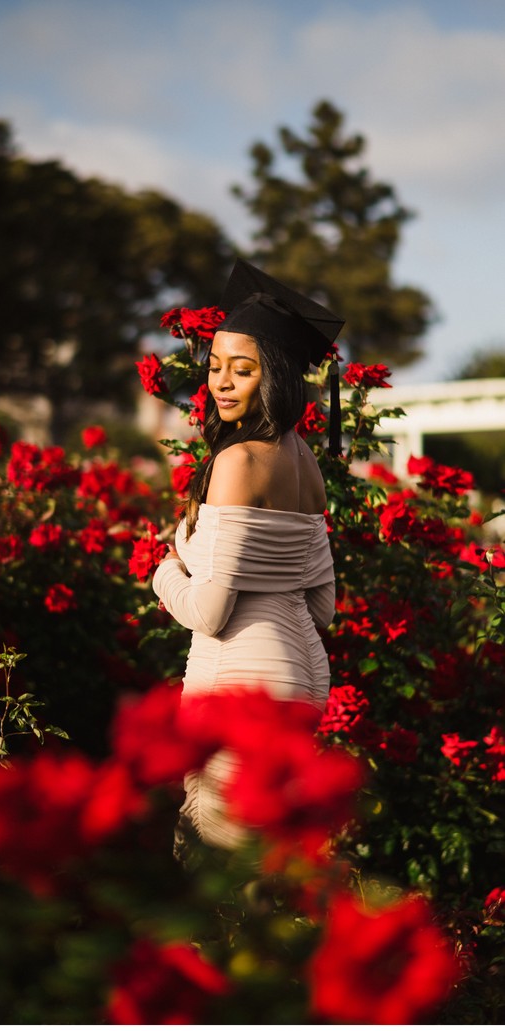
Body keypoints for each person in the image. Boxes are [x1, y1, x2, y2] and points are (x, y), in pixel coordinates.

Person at [152, 258, 345, 852]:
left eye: (243, 370)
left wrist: (165, 573)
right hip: (303, 674)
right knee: (276, 862)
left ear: (277, 375)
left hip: (242, 681)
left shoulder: (238, 462)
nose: (222, 383)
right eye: (214, 368)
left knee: (221, 871)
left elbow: (210, 615)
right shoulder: (303, 458)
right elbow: (323, 606)